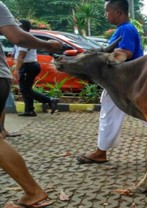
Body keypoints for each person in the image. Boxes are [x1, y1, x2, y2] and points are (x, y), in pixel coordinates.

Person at [76, 0, 147, 164]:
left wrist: (100, 57)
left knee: (110, 115)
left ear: (118, 12)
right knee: (144, 114)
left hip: (122, 84)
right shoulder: (124, 29)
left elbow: (126, 52)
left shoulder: (125, 29)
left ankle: (101, 152)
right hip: (128, 83)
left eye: (107, 11)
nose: (106, 15)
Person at [0, 2, 62, 207]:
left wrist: (46, 45)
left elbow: (18, 40)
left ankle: (33, 191)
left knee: (27, 92)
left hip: (20, 69)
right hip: (4, 77)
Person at [13, 19, 59, 117]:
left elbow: (21, 55)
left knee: (24, 90)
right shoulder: (27, 38)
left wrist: (16, 70)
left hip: (27, 66)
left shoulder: (24, 39)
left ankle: (50, 100)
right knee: (26, 88)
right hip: (30, 65)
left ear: (21, 28)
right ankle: (29, 110)